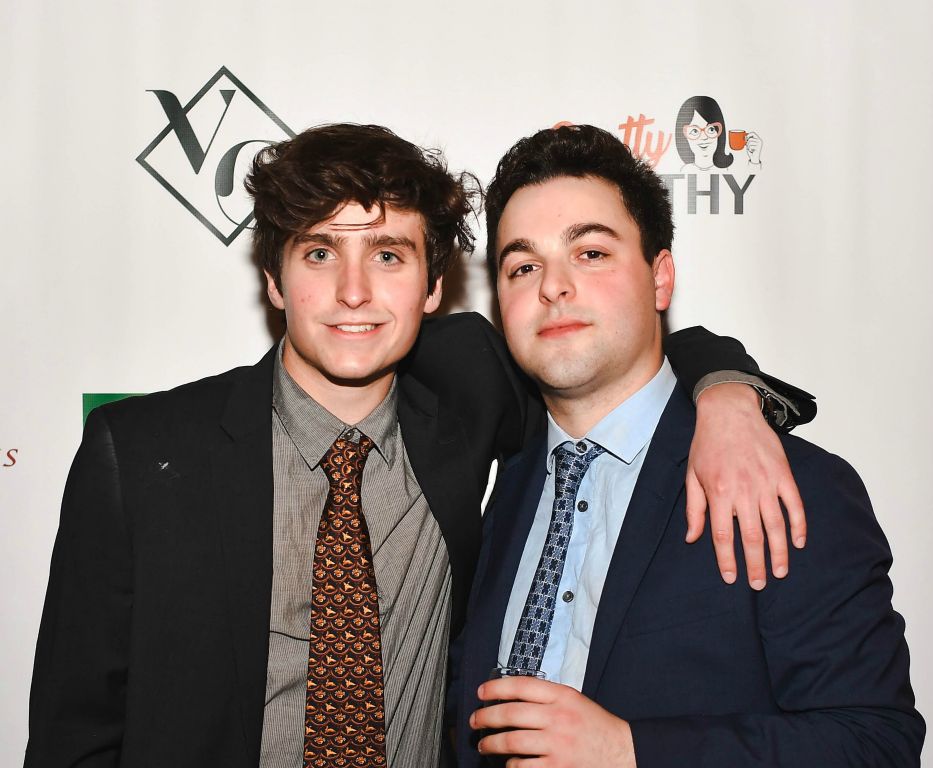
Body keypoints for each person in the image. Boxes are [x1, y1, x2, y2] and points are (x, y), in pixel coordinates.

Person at [27, 124, 811, 768]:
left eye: (388, 255)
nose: (354, 292)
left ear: (434, 287)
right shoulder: (144, 453)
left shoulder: (471, 389)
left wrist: (725, 393)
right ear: (273, 279)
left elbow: (615, 341)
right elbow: (74, 731)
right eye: (319, 252)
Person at [455, 124, 924, 766]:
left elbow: (875, 743)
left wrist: (631, 751)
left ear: (660, 278)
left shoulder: (784, 484)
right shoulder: (502, 479)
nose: (553, 286)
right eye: (524, 266)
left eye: (590, 253)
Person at [675, 95, 762, 173]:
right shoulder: (684, 171)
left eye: (711, 129)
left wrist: (754, 161)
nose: (704, 137)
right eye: (695, 131)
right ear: (684, 136)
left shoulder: (729, 170)